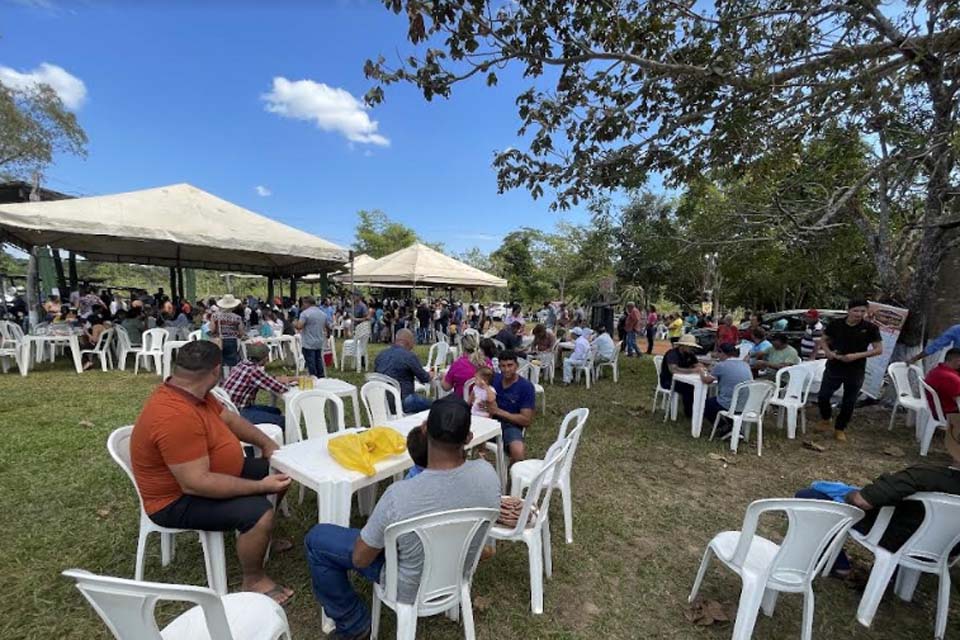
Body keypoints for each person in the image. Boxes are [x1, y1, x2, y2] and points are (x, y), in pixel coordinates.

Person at [304, 397, 500, 640]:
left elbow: (361, 559)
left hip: (406, 586)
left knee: (317, 539)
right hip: (457, 569)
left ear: (424, 430)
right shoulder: (488, 474)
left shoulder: (399, 495)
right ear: (469, 438)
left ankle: (353, 623)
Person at [130, 341, 293, 604]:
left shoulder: (195, 392)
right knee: (259, 511)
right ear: (216, 370)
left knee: (284, 472)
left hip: (208, 474)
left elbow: (230, 419)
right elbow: (197, 484)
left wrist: (266, 444)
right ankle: (253, 580)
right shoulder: (174, 415)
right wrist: (261, 486)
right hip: (175, 500)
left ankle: (260, 539)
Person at [796, 420, 960, 577]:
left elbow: (861, 501)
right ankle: (893, 576)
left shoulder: (925, 476)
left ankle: (839, 565)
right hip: (941, 550)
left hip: (893, 535)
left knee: (809, 496)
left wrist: (847, 493)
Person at [814, 298, 883, 442]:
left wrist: (857, 355)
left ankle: (840, 428)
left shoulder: (870, 328)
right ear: (849, 310)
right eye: (855, 311)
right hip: (834, 365)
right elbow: (823, 339)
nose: (859, 314)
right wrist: (827, 352)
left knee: (849, 401)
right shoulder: (836, 324)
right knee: (823, 396)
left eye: (862, 311)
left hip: (855, 368)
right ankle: (826, 418)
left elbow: (878, 350)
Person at [222, 343, 296, 430]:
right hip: (237, 413)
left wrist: (279, 379)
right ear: (265, 358)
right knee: (284, 421)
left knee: (275, 411)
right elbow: (281, 389)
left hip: (228, 409)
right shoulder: (254, 371)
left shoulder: (242, 364)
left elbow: (264, 379)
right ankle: (285, 441)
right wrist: (287, 381)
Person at [489, 350, 536, 463]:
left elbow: (526, 420)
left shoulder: (525, 387)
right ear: (499, 367)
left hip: (510, 425)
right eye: (503, 366)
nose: (506, 369)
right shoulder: (495, 379)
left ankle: (512, 475)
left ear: (517, 366)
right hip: (488, 420)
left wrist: (498, 412)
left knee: (518, 451)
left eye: (510, 365)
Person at [374, 329, 433, 414]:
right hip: (402, 401)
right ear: (409, 342)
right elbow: (424, 378)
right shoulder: (409, 356)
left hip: (381, 401)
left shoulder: (381, 355)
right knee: (436, 406)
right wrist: (431, 375)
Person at [700, 342, 753, 430]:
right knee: (721, 399)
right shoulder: (745, 365)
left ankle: (723, 426)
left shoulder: (721, 365)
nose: (717, 355)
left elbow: (707, 380)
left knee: (707, 404)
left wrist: (701, 371)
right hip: (746, 403)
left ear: (722, 353)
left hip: (730, 403)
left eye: (718, 353)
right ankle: (733, 426)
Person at [659, 334, 703, 418]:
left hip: (683, 379)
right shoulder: (672, 354)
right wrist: (692, 370)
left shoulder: (690, 354)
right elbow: (673, 370)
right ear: (682, 346)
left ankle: (698, 410)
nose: (692, 349)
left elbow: (697, 364)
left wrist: (701, 367)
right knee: (688, 388)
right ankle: (689, 412)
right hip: (668, 381)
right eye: (690, 347)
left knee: (698, 387)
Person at [440, 331, 491, 398]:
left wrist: (443, 377)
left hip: (461, 403)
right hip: (484, 403)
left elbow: (446, 387)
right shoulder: (488, 362)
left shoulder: (458, 364)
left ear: (462, 348)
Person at [296, 296, 332, 378]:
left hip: (308, 342)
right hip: (319, 341)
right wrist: (328, 334)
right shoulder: (322, 313)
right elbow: (328, 327)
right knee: (319, 361)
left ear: (306, 303)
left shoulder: (305, 314)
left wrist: (294, 323)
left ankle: (313, 378)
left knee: (311, 363)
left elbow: (299, 326)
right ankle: (321, 377)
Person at [210, 294, 245, 368]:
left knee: (218, 364)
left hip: (218, 341)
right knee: (231, 364)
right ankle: (230, 377)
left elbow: (212, 330)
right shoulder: (237, 318)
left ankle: (220, 378)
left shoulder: (215, 316)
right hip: (232, 341)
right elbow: (241, 333)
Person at [924, 348, 960, 416]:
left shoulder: (937, 370)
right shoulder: (950, 378)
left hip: (938, 409)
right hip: (950, 414)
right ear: (957, 361)